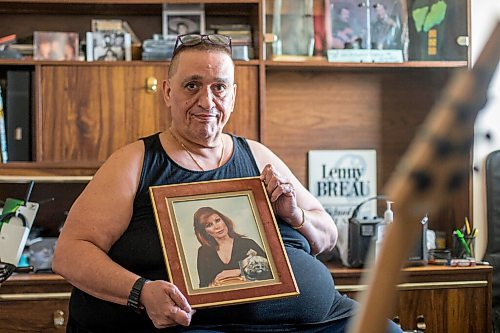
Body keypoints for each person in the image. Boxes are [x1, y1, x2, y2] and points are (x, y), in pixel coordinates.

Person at [52, 33, 402, 332]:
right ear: (168, 92)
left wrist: (295, 215)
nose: (207, 101)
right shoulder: (135, 162)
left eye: (219, 87)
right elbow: (69, 253)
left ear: (232, 94)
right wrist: (141, 292)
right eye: (192, 86)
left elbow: (327, 238)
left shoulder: (257, 154)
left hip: (318, 321)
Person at [193, 207, 271, 288]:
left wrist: (240, 271)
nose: (217, 227)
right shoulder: (203, 252)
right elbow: (203, 285)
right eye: (209, 225)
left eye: (217, 220)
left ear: (224, 221)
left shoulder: (248, 244)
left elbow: (271, 272)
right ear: (204, 232)